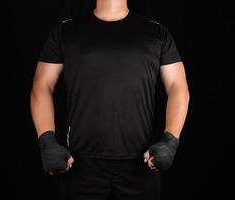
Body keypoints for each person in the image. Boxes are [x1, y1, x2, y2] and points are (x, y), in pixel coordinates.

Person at [30, 0, 190, 199]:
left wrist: (170, 140)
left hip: (142, 163)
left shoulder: (155, 32)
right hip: (79, 165)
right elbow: (41, 86)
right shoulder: (66, 30)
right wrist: (46, 140)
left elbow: (178, 87)